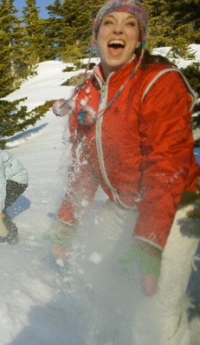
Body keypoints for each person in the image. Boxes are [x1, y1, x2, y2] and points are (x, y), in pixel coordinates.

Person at [44, 1, 200, 344]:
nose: (118, 30)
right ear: (96, 36)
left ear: (138, 39)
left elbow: (168, 165)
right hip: (122, 203)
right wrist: (68, 221)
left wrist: (148, 240)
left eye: (129, 24)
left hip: (175, 204)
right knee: (96, 276)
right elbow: (83, 164)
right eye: (109, 23)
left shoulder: (159, 81)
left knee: (154, 310)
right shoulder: (88, 91)